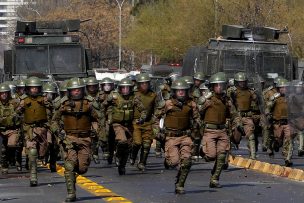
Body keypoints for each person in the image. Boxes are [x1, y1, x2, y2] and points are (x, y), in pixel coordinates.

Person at [51, 77, 102, 202]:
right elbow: (54, 121)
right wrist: (59, 132)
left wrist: (95, 131)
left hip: (85, 138)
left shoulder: (89, 103)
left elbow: (97, 119)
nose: (76, 92)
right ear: (69, 91)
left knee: (82, 168)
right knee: (69, 165)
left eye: (78, 90)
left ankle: (75, 174)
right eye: (74, 90)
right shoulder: (63, 104)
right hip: (69, 138)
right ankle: (71, 193)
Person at [153, 79, 200, 194]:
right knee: (173, 162)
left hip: (185, 136)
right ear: (174, 91)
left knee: (187, 161)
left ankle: (180, 185)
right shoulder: (167, 104)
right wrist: (156, 132)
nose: (181, 93)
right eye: (178, 91)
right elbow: (155, 118)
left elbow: (197, 119)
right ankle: (167, 160)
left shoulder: (191, 104)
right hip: (171, 137)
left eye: (183, 91)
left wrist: (196, 131)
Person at [198, 72, 238, 188]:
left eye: (221, 85)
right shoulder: (206, 99)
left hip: (222, 131)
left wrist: (238, 123)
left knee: (222, 156)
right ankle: (203, 152)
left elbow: (234, 113)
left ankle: (214, 179)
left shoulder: (227, 100)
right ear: (212, 86)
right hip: (209, 131)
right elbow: (197, 112)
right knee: (211, 156)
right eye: (217, 85)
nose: (219, 87)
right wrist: (205, 104)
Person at [105, 78, 146, 175]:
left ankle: (122, 166)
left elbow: (143, 110)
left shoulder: (134, 97)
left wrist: (142, 118)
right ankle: (117, 155)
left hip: (129, 124)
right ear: (120, 88)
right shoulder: (114, 96)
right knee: (122, 140)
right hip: (117, 124)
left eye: (127, 88)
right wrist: (109, 116)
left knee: (128, 146)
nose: (125, 90)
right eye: (123, 88)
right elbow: (104, 105)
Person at [18, 76, 52, 187]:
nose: (34, 90)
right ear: (28, 89)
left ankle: (42, 158)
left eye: (36, 88)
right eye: (32, 88)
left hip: (42, 129)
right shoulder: (24, 101)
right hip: (29, 129)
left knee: (42, 152)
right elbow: (17, 112)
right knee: (32, 152)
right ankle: (33, 176)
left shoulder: (44, 99)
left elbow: (53, 110)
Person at [130, 73, 157, 171]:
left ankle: (142, 162)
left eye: (146, 83)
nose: (144, 85)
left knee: (147, 144)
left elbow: (157, 109)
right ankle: (132, 156)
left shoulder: (153, 95)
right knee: (137, 142)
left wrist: (156, 122)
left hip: (148, 122)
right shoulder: (134, 94)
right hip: (135, 123)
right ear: (138, 84)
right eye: (142, 83)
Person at [0, 83, 22, 174]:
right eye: (2, 93)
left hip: (12, 129)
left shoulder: (14, 103)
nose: (4, 95)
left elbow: (21, 114)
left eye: (5, 93)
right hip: (1, 130)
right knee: (2, 149)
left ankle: (15, 159)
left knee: (12, 146)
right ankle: (4, 165)